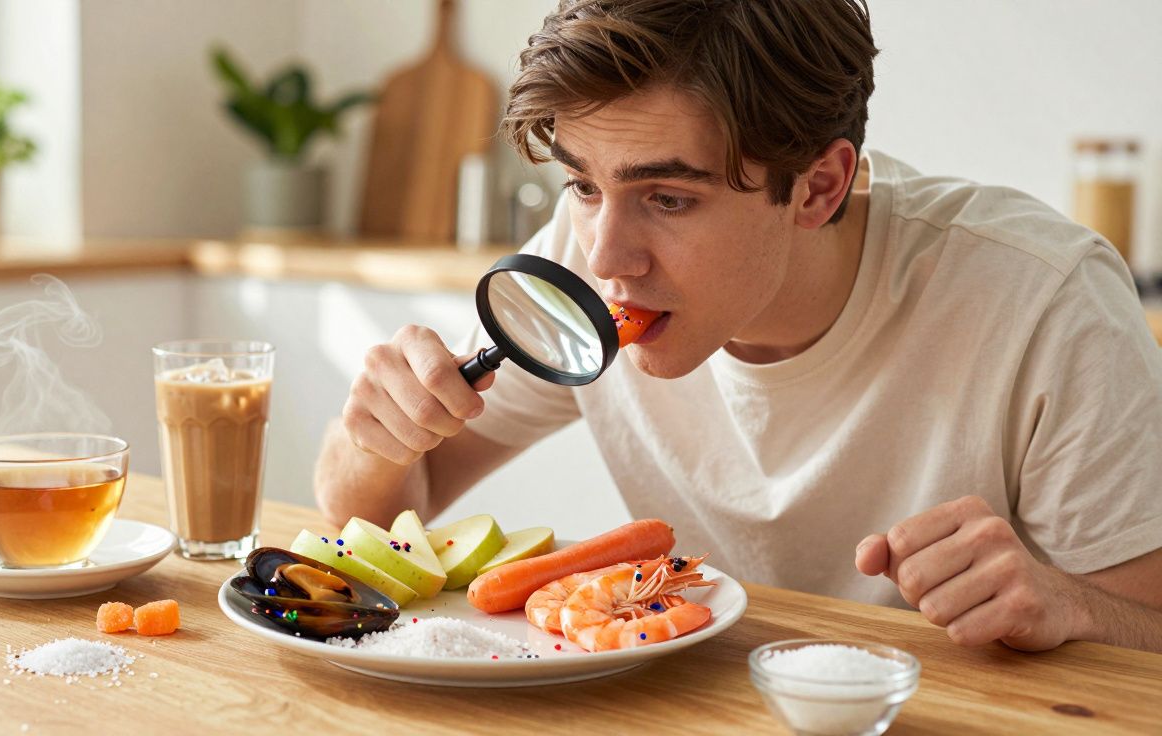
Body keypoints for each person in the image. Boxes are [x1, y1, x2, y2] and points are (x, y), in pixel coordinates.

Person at [314, 0, 1162, 653]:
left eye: (670, 198)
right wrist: (373, 441)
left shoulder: (1043, 300)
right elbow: (390, 519)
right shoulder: (579, 267)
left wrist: (1070, 604)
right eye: (581, 184)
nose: (609, 257)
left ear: (820, 187)